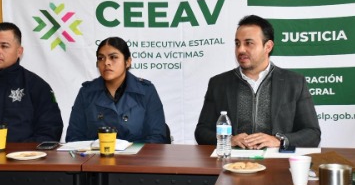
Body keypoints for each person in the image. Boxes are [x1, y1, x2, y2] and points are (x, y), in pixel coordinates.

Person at [194, 15, 321, 149]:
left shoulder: (294, 83)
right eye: (237, 44)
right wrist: (228, 140)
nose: (241, 49)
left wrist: (279, 141)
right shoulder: (219, 83)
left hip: (277, 160)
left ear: (268, 46)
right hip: (233, 160)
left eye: (248, 43)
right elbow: (201, 132)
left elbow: (312, 134)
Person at [66, 37, 168, 143]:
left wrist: (130, 151)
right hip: (97, 153)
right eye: (101, 58)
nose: (106, 62)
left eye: (113, 57)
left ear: (127, 62)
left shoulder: (146, 91)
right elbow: (74, 137)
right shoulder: (86, 93)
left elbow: (157, 138)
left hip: (137, 153)